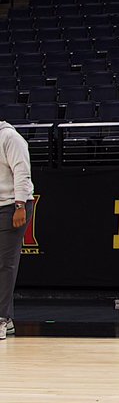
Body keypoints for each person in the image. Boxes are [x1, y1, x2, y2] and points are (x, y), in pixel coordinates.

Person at [0, 120, 34, 341]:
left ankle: (1, 320)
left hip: (13, 204)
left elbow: (22, 171)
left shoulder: (10, 137)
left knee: (5, 264)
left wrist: (20, 205)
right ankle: (8, 319)